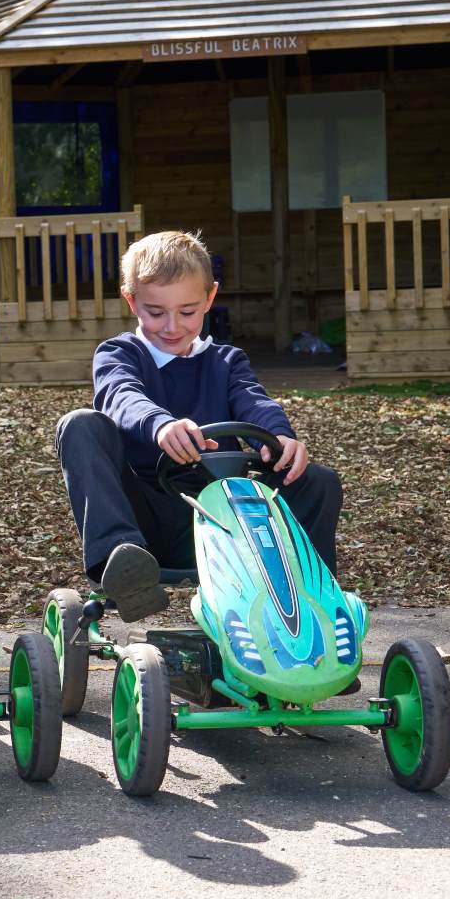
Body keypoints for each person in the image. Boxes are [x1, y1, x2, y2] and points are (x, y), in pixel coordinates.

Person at [54, 229, 341, 620]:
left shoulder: (227, 362)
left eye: (187, 312)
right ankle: (121, 567)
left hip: (228, 523)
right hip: (148, 522)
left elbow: (253, 401)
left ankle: (311, 605)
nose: (172, 326)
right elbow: (120, 396)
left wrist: (278, 437)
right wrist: (160, 425)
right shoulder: (119, 354)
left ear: (209, 298)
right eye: (156, 312)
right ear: (132, 301)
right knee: (80, 424)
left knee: (318, 481)